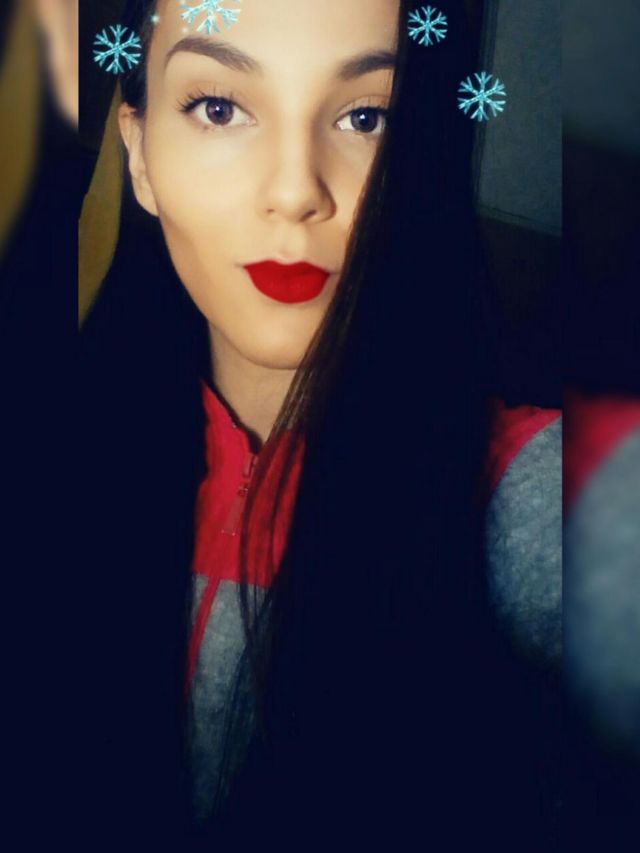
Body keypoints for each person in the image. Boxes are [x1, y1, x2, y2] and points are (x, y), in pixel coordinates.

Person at [79, 1, 562, 847]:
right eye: (219, 107)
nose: (296, 190)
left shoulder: (524, 490)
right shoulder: (55, 455)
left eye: (367, 117)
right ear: (140, 154)